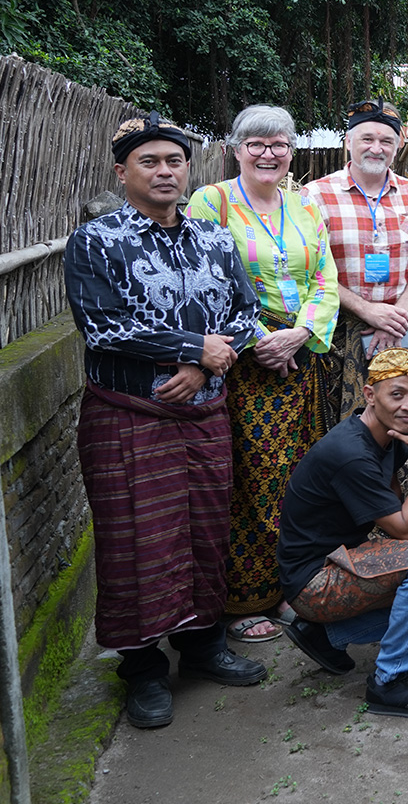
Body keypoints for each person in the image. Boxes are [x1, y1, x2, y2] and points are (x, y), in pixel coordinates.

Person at [67, 113, 270, 729]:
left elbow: (245, 309)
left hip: (204, 413)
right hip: (129, 417)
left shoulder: (213, 237)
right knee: (137, 539)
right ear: (122, 170)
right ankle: (142, 668)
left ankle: (204, 646)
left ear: (189, 169)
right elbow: (100, 325)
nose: (164, 171)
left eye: (174, 161)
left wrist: (209, 359)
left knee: (207, 526)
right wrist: (191, 350)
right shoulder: (98, 241)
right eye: (149, 161)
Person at [186, 104, 339, 638]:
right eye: (256, 144)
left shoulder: (304, 206)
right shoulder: (213, 201)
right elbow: (202, 279)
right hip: (243, 364)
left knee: (302, 473)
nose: (268, 153)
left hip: (302, 355)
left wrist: (300, 332)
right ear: (235, 150)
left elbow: (325, 276)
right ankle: (248, 597)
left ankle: (293, 584)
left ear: (291, 151)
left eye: (278, 144)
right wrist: (257, 339)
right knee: (253, 476)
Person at [278, 350, 408, 719]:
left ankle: (324, 636)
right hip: (314, 579)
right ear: (369, 394)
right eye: (397, 394)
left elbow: (394, 512)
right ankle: (392, 681)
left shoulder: (386, 436)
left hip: (340, 558)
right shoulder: (351, 452)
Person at [303, 100, 408, 421]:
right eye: (367, 139)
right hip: (341, 331)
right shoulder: (315, 195)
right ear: (348, 142)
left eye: (386, 141)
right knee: (344, 424)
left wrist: (397, 315)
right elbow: (312, 271)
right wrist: (367, 310)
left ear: (397, 146)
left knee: (406, 418)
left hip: (404, 327)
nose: (376, 148)